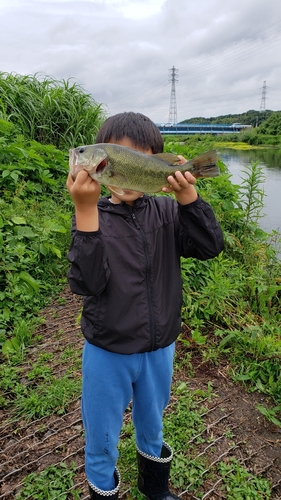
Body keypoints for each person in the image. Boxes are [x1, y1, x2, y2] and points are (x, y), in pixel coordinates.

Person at [66, 112, 224, 500]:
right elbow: (85, 283)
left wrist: (188, 195)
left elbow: (209, 247)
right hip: (107, 350)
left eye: (144, 155)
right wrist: (85, 211)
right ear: (105, 162)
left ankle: (155, 487)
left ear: (158, 161)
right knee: (101, 434)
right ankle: (103, 488)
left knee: (152, 424)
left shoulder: (170, 212)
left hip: (160, 348)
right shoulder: (95, 218)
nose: (79, 157)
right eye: (121, 153)